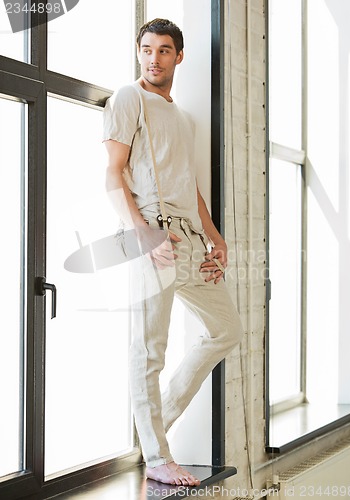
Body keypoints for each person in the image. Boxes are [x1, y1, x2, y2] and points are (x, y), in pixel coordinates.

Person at [103, 18, 243, 487]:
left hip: (190, 241)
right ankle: (158, 457)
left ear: (178, 56)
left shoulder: (181, 117)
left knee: (226, 329)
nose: (154, 58)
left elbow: (191, 188)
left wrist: (215, 238)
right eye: (146, 49)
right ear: (138, 52)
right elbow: (112, 176)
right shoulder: (130, 98)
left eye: (164, 50)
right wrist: (143, 234)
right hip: (154, 239)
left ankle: (156, 424)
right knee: (149, 350)